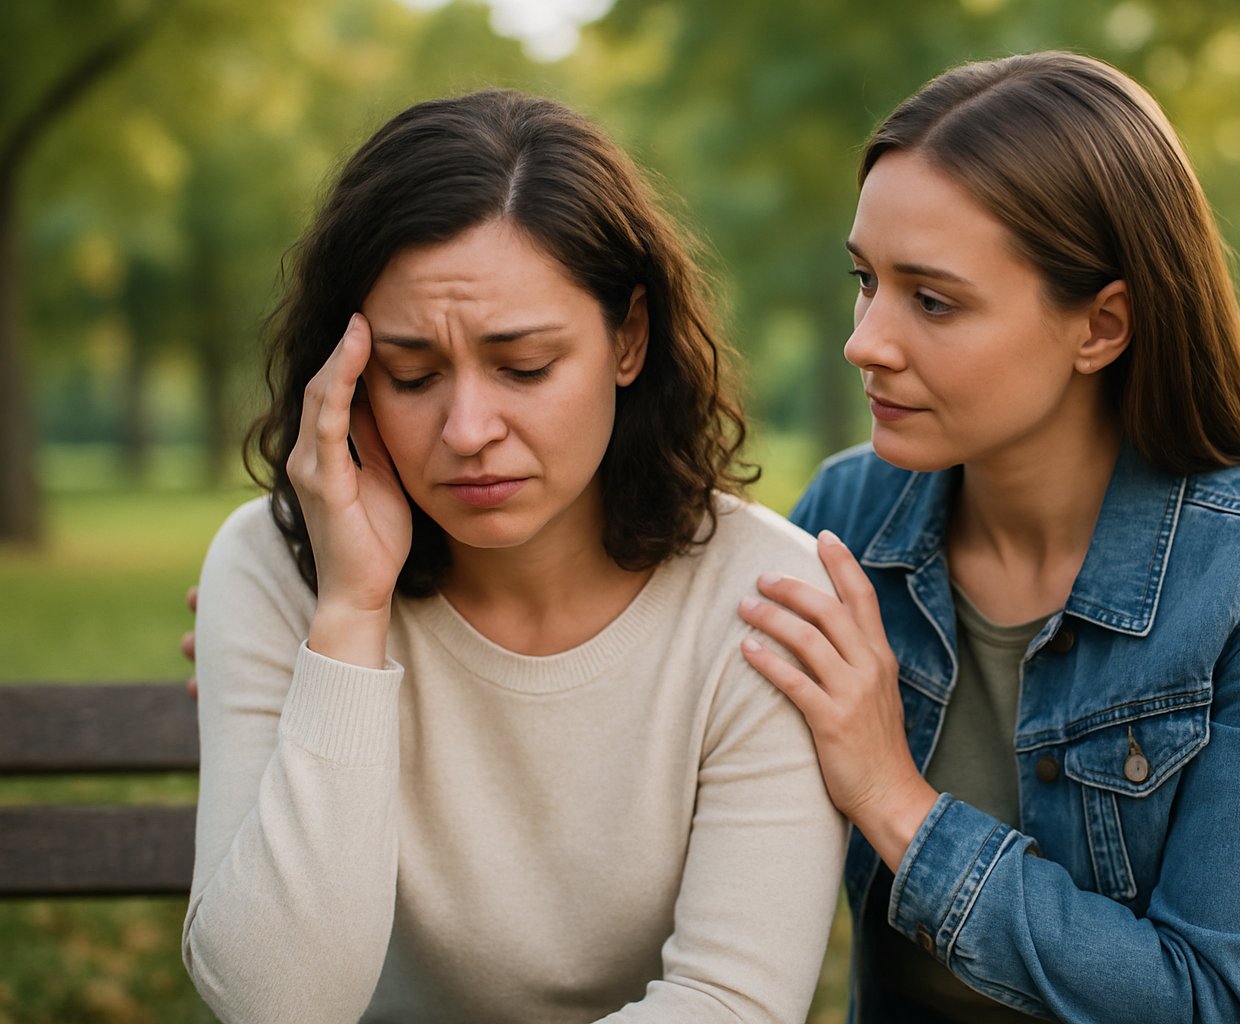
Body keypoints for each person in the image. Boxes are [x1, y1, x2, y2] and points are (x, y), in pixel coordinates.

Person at [735, 52, 1240, 1022]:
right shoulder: (851, 518)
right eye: (866, 281)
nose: (866, 339)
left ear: (1101, 325)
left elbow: (1206, 1002)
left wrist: (897, 801)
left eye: (932, 300)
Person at [182, 88, 844, 1023]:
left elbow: (730, 1001)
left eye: (524, 366)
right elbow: (275, 1003)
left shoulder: (763, 597)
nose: (467, 429)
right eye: (411, 375)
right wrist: (350, 615)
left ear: (629, 338)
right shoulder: (269, 566)